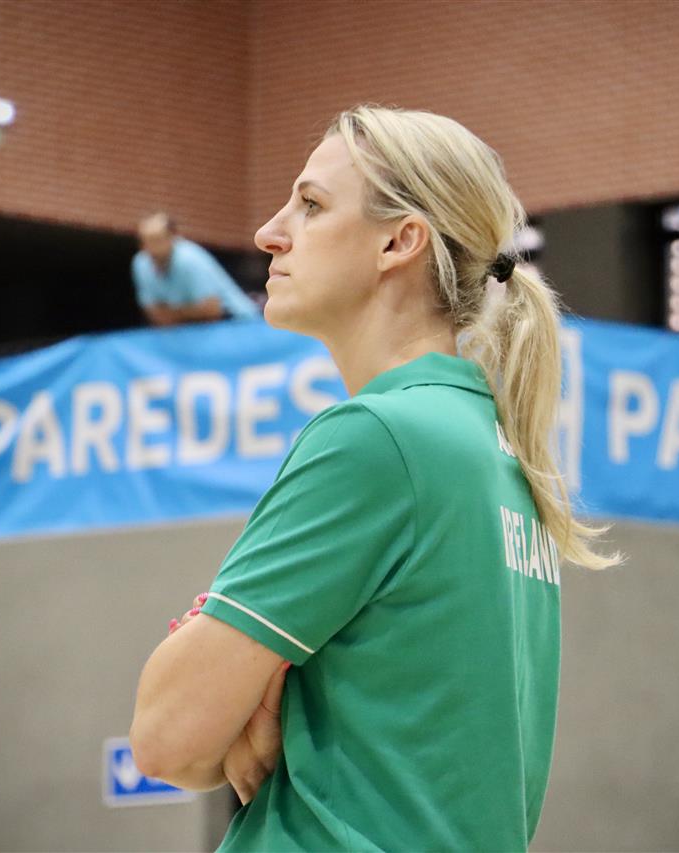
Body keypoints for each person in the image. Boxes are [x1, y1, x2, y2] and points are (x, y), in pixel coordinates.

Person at [129, 105, 616, 851]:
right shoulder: (499, 454)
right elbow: (198, 756)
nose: (268, 233)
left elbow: (166, 737)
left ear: (399, 241)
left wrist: (250, 681)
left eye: (311, 205)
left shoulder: (377, 439)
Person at [131, 212, 259, 325]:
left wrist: (172, 314)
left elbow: (212, 310)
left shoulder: (189, 258)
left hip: (238, 321)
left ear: (173, 238)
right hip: (193, 329)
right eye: (146, 241)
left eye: (157, 239)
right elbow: (156, 315)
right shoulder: (141, 264)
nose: (152, 247)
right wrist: (190, 311)